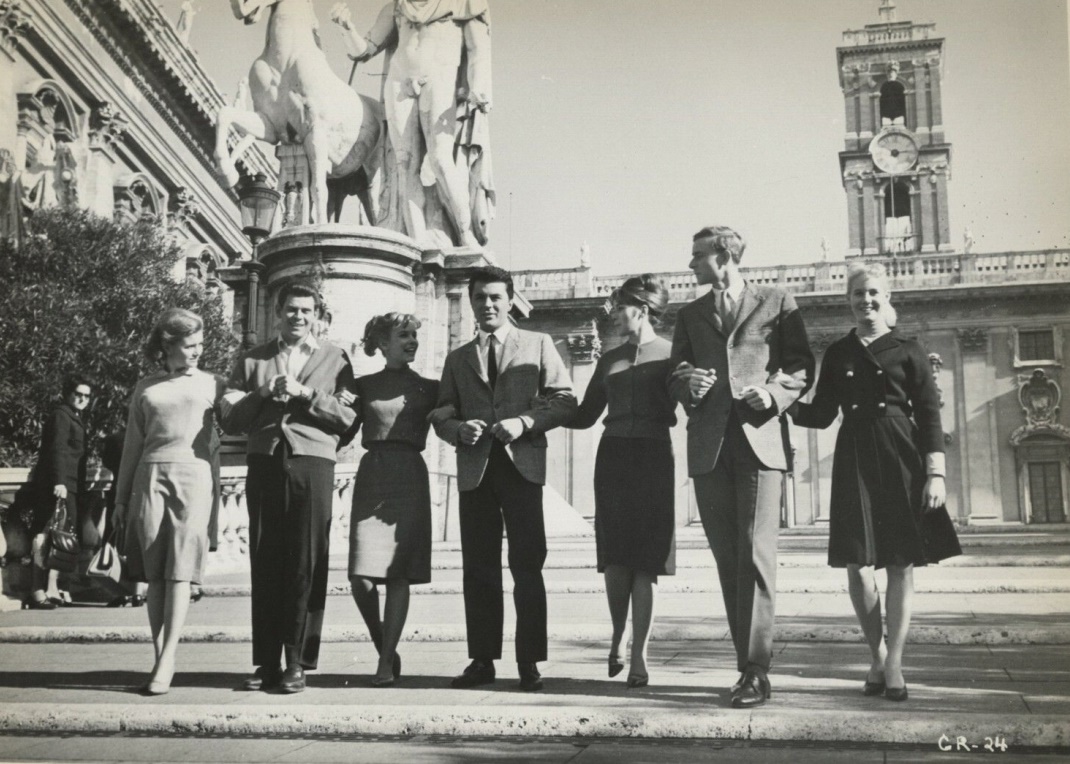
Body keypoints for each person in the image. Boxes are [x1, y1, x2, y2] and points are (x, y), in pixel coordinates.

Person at [787, 262, 961, 702]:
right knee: (856, 564)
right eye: (858, 295)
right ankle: (877, 654)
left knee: (901, 562)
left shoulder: (909, 348)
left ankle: (896, 661)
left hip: (902, 454)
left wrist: (936, 473)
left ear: (887, 299)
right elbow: (823, 413)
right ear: (849, 302)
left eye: (873, 294)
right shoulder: (840, 353)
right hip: (855, 457)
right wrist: (783, 400)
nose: (866, 301)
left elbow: (930, 414)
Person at [670, 225, 814, 708]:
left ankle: (756, 670)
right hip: (710, 447)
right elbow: (676, 373)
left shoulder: (777, 300)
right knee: (728, 559)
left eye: (697, 255)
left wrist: (772, 394)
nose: (690, 264)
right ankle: (745, 667)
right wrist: (686, 381)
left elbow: (799, 367)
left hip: (760, 442)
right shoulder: (690, 313)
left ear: (724, 255)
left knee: (755, 554)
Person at [434, 266, 577, 691]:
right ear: (472, 302)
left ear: (510, 299)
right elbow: (441, 412)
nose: (488, 305)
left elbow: (565, 400)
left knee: (527, 564)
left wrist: (525, 422)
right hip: (476, 471)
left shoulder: (538, 344)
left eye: (496, 297)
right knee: (478, 567)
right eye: (480, 298)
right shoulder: (458, 358)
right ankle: (481, 660)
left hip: (522, 467)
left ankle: (529, 660)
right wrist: (457, 429)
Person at [223, 281, 356, 694]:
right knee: (265, 561)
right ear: (277, 313)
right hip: (265, 462)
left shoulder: (336, 360)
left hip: (312, 464)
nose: (299, 317)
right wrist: (264, 391)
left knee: (306, 561)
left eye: (306, 310)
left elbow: (348, 420)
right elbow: (230, 420)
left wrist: (306, 394)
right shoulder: (252, 360)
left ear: (316, 315)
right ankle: (266, 662)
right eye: (291, 310)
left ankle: (297, 661)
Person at [566, 275, 678, 688]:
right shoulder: (608, 358)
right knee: (615, 559)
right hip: (612, 457)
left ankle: (640, 655)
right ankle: (618, 633)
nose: (613, 314)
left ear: (641, 309)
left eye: (619, 307)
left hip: (653, 458)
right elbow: (584, 415)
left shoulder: (672, 355)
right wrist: (544, 408)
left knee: (646, 562)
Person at [113, 309, 225, 695]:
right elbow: (132, 446)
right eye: (189, 344)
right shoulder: (146, 387)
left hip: (194, 478)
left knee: (180, 569)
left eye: (200, 344)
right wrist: (121, 498)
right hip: (150, 475)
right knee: (156, 571)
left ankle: (170, 657)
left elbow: (243, 418)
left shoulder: (214, 383)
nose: (197, 351)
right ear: (168, 344)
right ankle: (160, 653)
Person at [330, 0, 493, 247]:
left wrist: (479, 86)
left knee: (440, 159)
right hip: (399, 81)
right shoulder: (398, 6)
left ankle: (464, 233)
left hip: (439, 78)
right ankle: (417, 241)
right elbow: (365, 49)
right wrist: (346, 27)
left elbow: (477, 49)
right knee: (404, 166)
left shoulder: (465, 3)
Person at [336, 313, 439, 687]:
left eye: (414, 335)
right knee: (360, 576)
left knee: (397, 573)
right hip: (373, 474)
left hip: (410, 474)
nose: (412, 341)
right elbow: (342, 432)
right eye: (403, 335)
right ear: (382, 343)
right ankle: (385, 644)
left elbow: (451, 417)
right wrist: (337, 404)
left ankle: (383, 663)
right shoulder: (363, 386)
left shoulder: (431, 387)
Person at [13, 375, 92, 609]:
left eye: (87, 396)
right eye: (78, 394)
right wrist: (59, 482)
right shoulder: (61, 415)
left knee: (59, 539)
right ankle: (37, 592)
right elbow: (56, 450)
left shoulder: (72, 417)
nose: (82, 399)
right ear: (67, 394)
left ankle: (51, 589)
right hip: (58, 486)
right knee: (45, 537)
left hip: (69, 485)